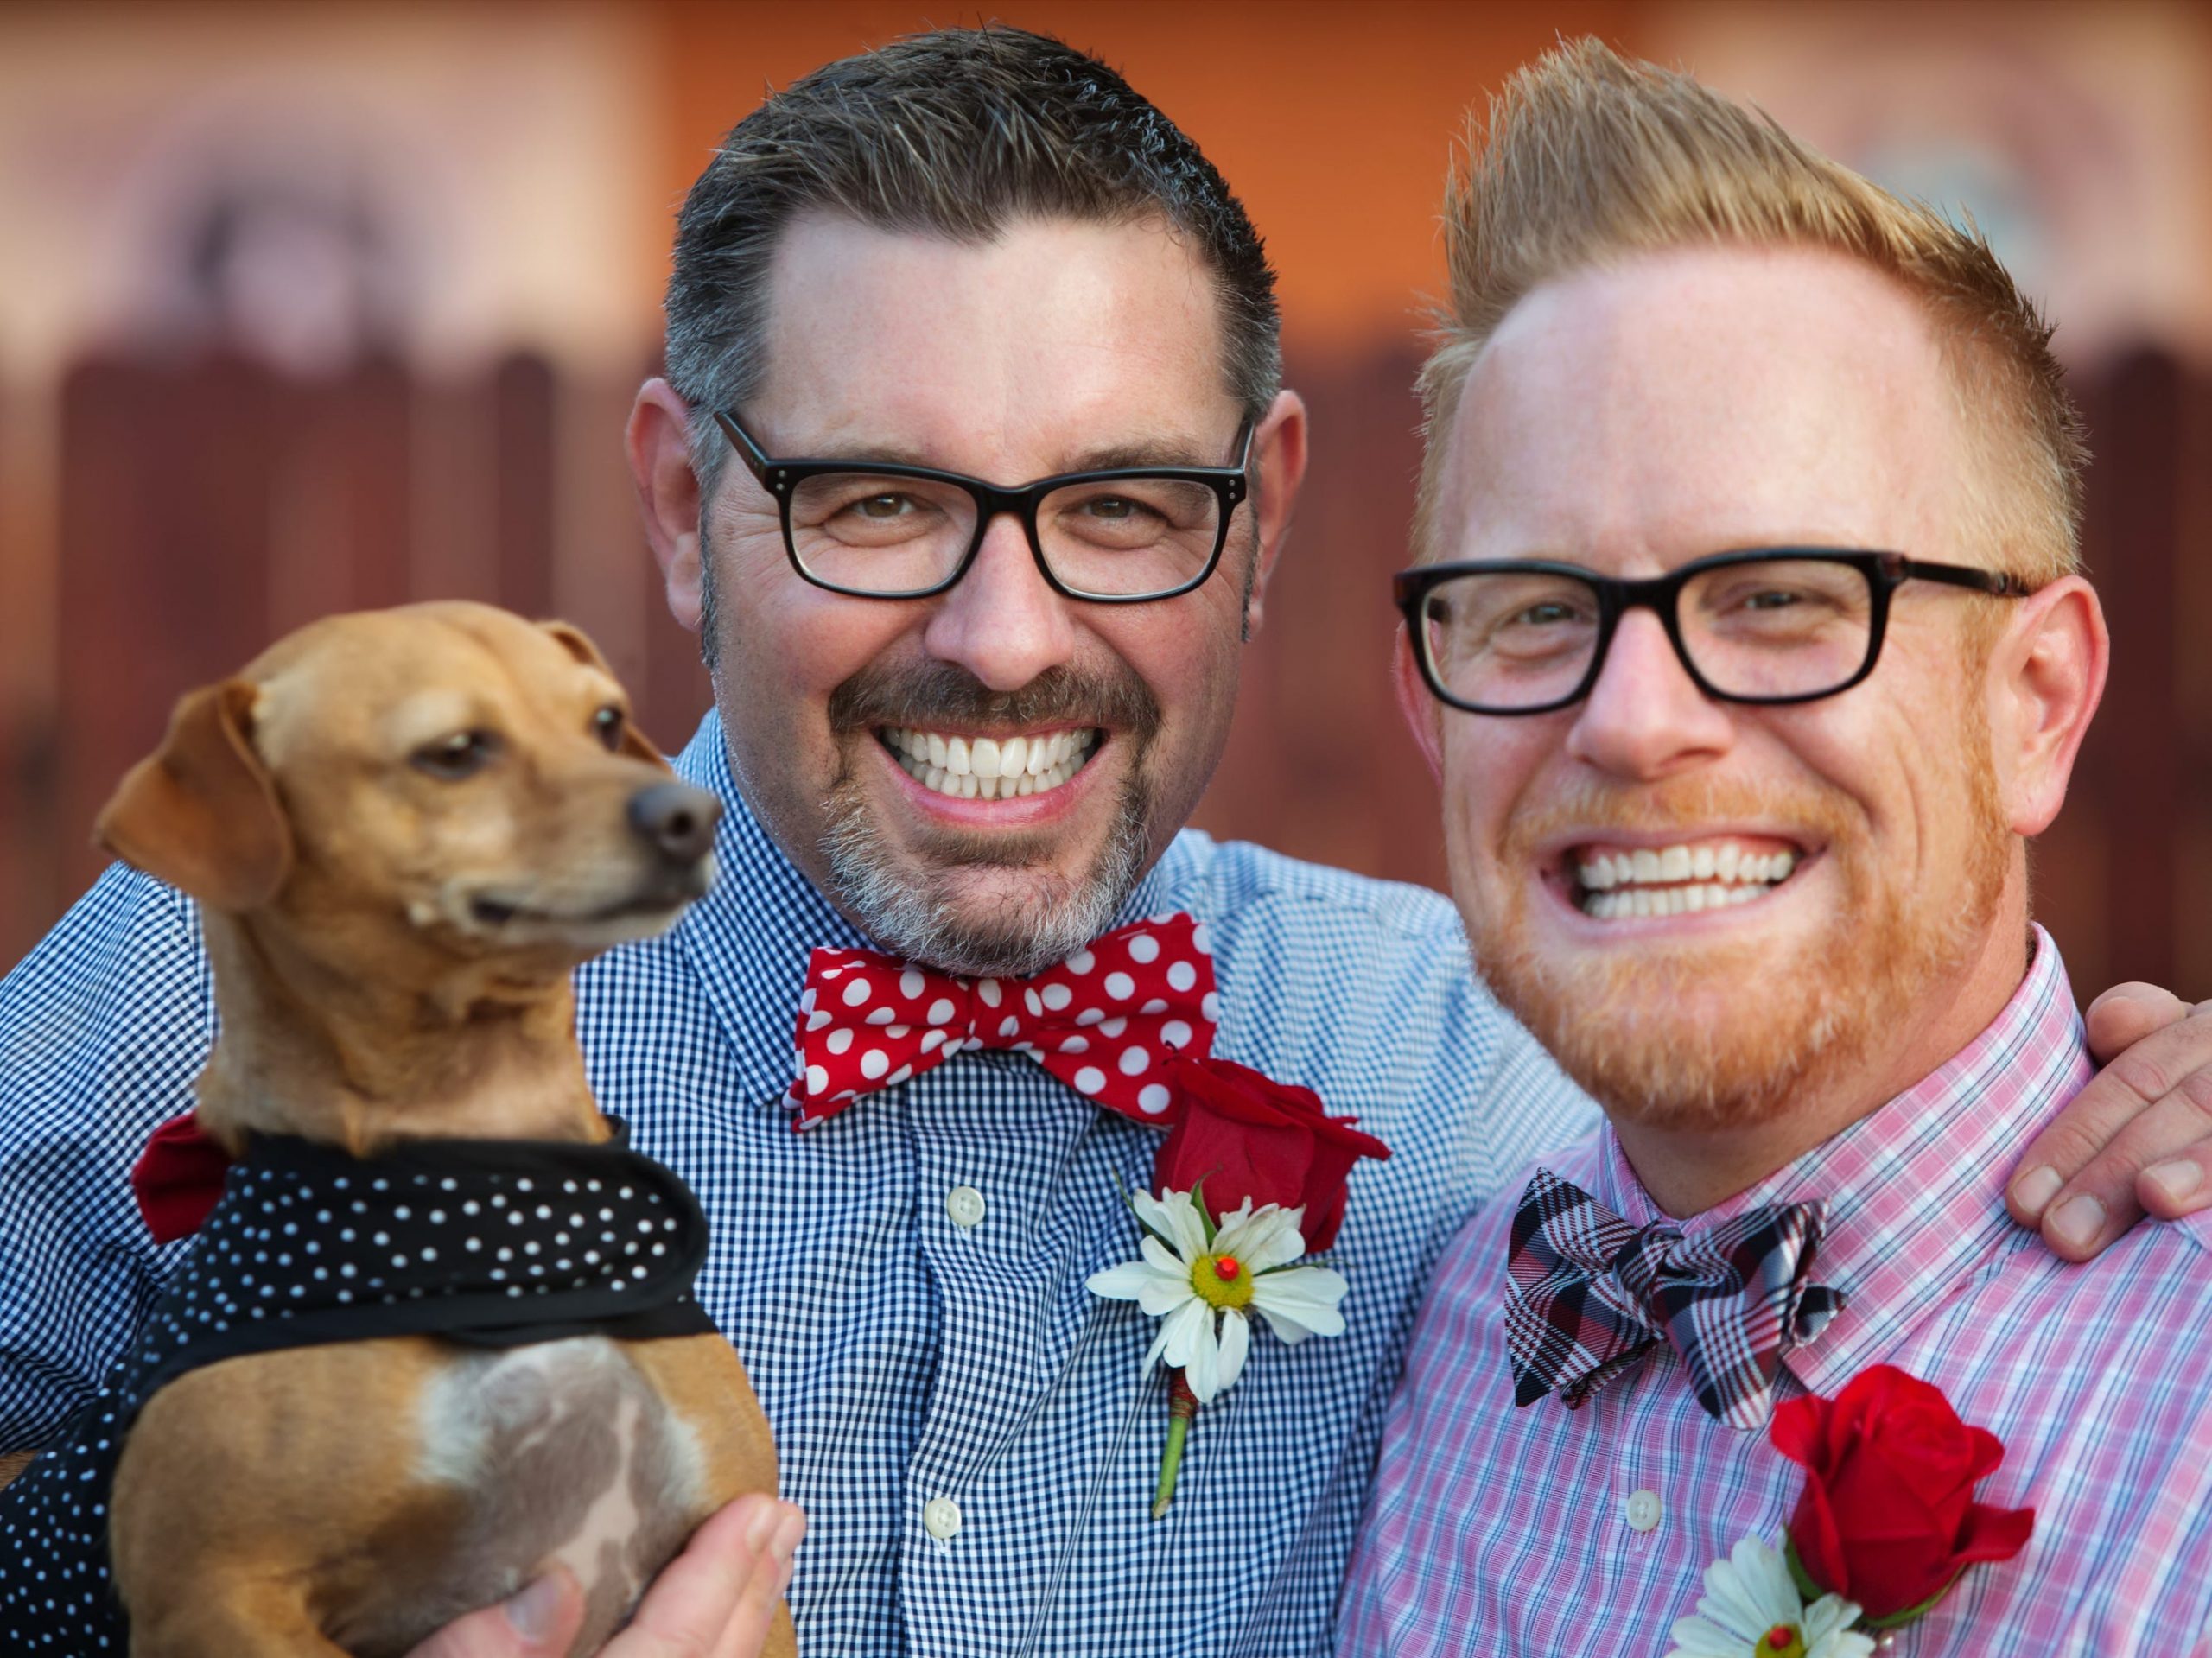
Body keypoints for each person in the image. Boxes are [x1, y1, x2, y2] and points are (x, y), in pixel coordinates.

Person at [1, 28, 2207, 1658]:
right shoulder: (248, 964)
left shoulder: (1493, 1074)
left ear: (1259, 519)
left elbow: (1846, 1098)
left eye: (1122, 510)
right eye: (875, 499)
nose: (1001, 634)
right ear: (684, 506)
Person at [1338, 40, 2212, 1655]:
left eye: (1782, 599)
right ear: (1428, 712)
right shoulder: (1421, 1322)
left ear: (2034, 704)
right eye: (1536, 613)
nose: (1632, 722)